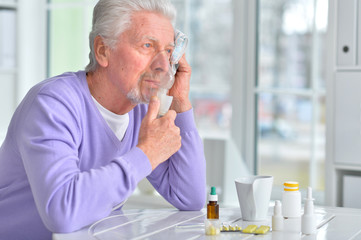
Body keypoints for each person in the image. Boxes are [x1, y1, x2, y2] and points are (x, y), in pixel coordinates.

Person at [0, 0, 206, 239]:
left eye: (168, 52)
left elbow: (190, 197)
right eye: (147, 45)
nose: (162, 66)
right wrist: (146, 154)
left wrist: (181, 103)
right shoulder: (52, 104)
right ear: (103, 51)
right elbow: (61, 212)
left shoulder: (140, 110)